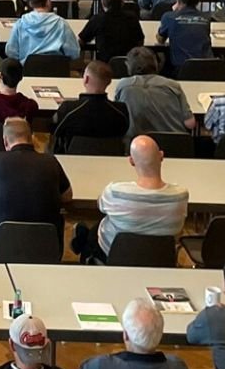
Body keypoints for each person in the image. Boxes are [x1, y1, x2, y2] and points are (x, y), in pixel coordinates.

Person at [0, 117, 73, 259]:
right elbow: (67, 196)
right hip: (47, 245)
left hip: (6, 242)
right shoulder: (50, 161)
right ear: (32, 138)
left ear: (5, 141)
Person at [70, 135, 188, 264]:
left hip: (114, 255)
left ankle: (83, 241)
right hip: (161, 259)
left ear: (131, 161)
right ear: (161, 156)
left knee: (96, 230)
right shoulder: (181, 196)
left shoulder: (115, 192)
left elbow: (101, 205)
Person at [52, 59, 130, 153]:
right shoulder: (121, 111)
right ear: (109, 82)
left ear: (86, 79)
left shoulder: (69, 109)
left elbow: (55, 130)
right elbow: (123, 132)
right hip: (110, 159)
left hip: (72, 158)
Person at [113, 46, 192, 138]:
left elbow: (119, 118)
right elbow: (190, 123)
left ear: (129, 66)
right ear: (156, 64)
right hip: (174, 145)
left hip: (137, 145)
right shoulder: (173, 85)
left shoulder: (123, 86)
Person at [5, 0, 80, 62]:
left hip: (28, 70)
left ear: (30, 4)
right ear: (48, 2)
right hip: (56, 70)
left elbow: (11, 51)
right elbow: (73, 52)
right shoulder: (61, 23)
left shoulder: (20, 23)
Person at [78, 0, 144, 63]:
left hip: (104, 67)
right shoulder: (132, 18)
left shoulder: (97, 20)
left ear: (102, 2)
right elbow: (140, 41)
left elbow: (81, 41)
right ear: (122, 1)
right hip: (130, 65)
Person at [156, 0, 213, 76]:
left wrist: (175, 13)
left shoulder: (169, 17)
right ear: (198, 1)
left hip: (180, 69)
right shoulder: (206, 18)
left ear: (178, 0)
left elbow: (160, 39)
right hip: (206, 67)